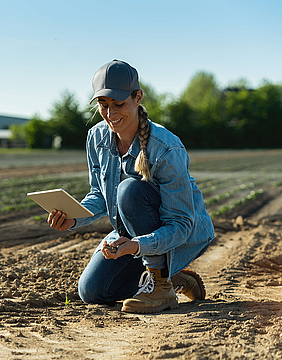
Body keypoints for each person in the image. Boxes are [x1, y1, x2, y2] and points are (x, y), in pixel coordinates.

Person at [47, 59, 215, 313]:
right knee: (92, 291)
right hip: (132, 233)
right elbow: (100, 195)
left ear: (138, 97)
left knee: (129, 190)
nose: (110, 115)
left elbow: (181, 224)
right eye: (103, 105)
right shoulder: (96, 138)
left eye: (118, 104)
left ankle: (161, 285)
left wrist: (136, 245)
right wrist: (73, 218)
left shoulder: (166, 148)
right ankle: (173, 277)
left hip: (180, 235)